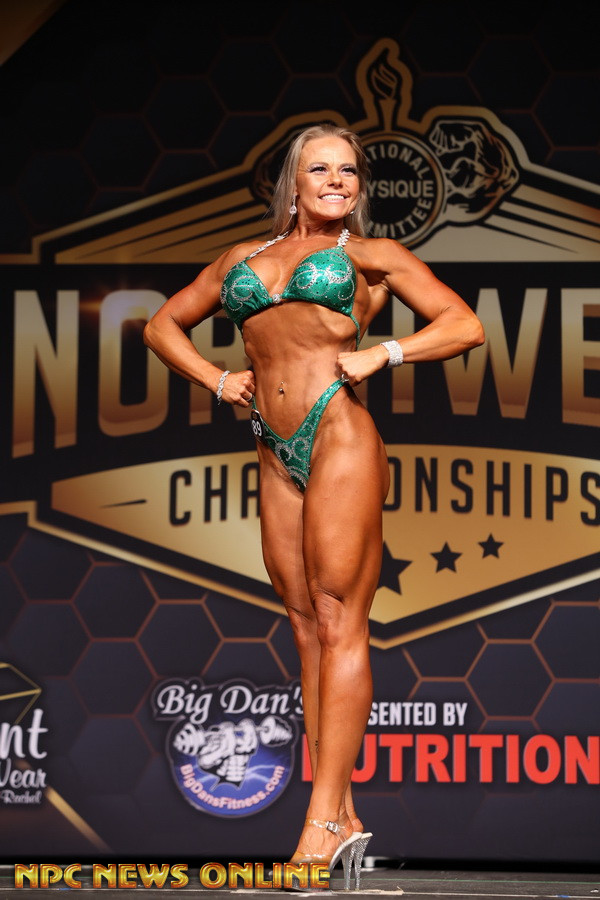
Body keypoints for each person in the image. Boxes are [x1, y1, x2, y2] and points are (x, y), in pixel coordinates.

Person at [144, 123, 484, 889]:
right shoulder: (240, 259)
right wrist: (216, 379)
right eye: (321, 169)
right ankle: (345, 814)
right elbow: (162, 325)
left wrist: (385, 352)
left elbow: (464, 325)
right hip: (273, 445)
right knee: (304, 628)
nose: (337, 181)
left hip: (340, 435)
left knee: (338, 620)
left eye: (350, 171)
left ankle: (321, 819)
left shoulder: (370, 256)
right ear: (293, 183)